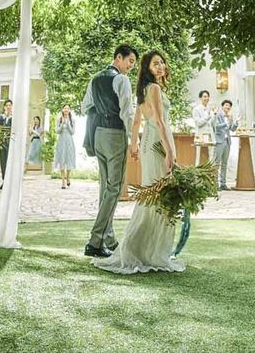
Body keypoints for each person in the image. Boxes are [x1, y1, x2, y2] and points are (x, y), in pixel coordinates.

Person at [94, 50, 186, 274]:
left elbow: (137, 122)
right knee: (157, 196)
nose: (161, 66)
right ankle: (147, 250)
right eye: (156, 64)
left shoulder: (143, 89)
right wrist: (170, 152)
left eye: (162, 62)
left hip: (148, 143)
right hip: (157, 144)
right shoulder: (154, 88)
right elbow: (160, 122)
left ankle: (145, 249)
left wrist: (134, 145)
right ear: (147, 68)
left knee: (151, 195)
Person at [82, 44, 138, 258]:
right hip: (115, 135)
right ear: (119, 57)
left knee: (105, 188)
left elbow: (85, 106)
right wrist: (134, 139)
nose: (131, 66)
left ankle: (109, 238)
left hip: (98, 135)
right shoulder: (121, 80)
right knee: (114, 189)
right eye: (130, 61)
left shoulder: (95, 79)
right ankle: (95, 241)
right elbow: (127, 112)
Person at [211, 99, 238, 190]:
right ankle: (215, 184)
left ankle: (223, 183)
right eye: (226, 105)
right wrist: (226, 122)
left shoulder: (230, 116)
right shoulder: (218, 115)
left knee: (224, 164)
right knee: (216, 163)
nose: (228, 107)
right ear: (222, 106)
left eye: (229, 106)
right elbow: (215, 126)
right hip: (219, 141)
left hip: (227, 142)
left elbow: (232, 129)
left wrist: (236, 122)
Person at [54, 104, 76, 188]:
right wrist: (62, 123)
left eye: (68, 108)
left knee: (69, 159)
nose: (66, 109)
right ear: (62, 110)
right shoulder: (59, 119)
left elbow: (72, 132)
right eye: (65, 108)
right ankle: (63, 181)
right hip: (61, 141)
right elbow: (57, 131)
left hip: (69, 141)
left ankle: (68, 177)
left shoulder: (72, 120)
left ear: (70, 110)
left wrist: (68, 124)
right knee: (62, 160)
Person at [0, 99, 13, 188]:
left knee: (9, 162)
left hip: (10, 142)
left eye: (10, 105)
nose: (8, 107)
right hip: (2, 142)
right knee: (3, 162)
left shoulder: (13, 118)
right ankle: (4, 181)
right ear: (4, 107)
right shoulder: (2, 117)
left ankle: (10, 182)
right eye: (6, 105)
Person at [193, 90, 215, 162]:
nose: (207, 98)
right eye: (205, 97)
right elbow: (198, 123)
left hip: (210, 136)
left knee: (211, 157)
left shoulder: (210, 109)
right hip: (201, 136)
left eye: (208, 97)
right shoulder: (196, 109)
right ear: (200, 98)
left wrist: (215, 114)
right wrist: (208, 116)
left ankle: (210, 169)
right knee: (199, 157)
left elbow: (212, 124)